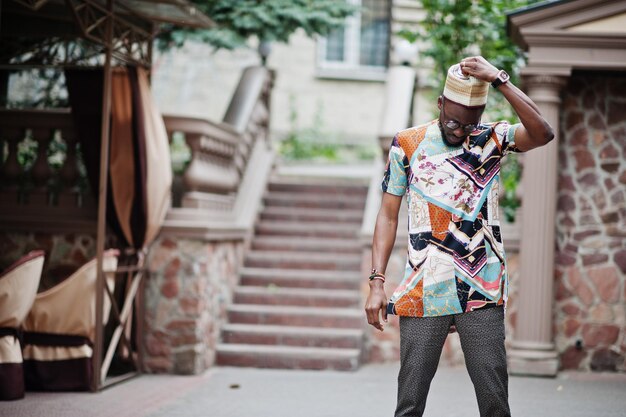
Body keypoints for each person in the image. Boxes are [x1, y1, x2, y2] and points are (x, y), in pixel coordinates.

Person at [364, 56, 554, 417]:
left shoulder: (492, 139)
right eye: (452, 120)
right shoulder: (408, 143)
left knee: (495, 403)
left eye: (469, 123)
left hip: (481, 289)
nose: (460, 130)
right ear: (439, 103)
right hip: (423, 287)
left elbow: (543, 132)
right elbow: (388, 215)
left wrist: (499, 79)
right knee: (409, 405)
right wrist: (376, 282)